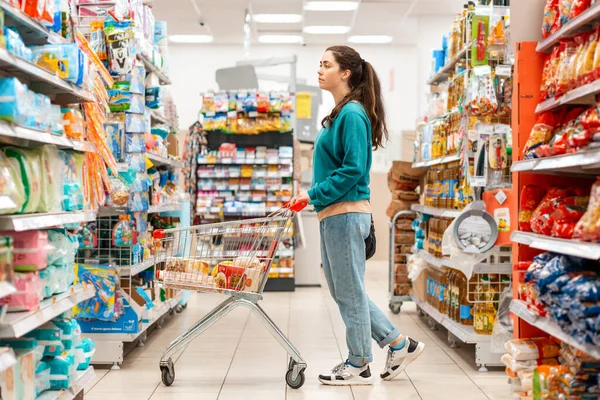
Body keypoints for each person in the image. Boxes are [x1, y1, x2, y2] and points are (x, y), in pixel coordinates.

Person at [289, 46, 425, 386]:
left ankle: (359, 363)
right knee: (345, 291)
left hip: (346, 213)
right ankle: (398, 343)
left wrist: (312, 194)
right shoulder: (342, 112)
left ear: (346, 72)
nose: (319, 70)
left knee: (348, 291)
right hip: (335, 213)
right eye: (319, 64)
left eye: (326, 65)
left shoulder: (352, 114)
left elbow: (352, 169)